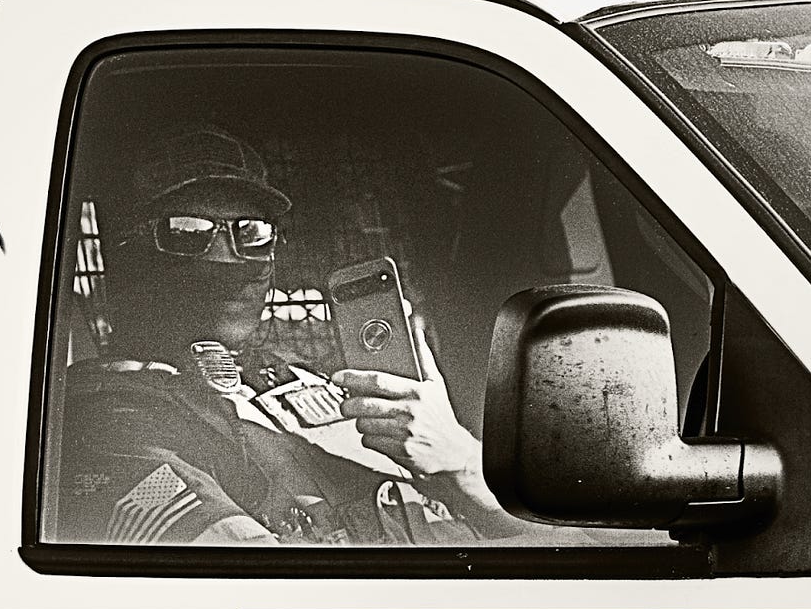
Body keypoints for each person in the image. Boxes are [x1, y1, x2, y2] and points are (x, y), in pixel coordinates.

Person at [56, 126, 531, 545]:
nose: (230, 260)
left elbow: (573, 549)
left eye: (252, 231)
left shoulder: (304, 385)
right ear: (132, 256)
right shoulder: (113, 421)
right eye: (187, 231)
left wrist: (460, 459)